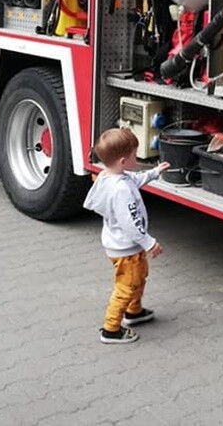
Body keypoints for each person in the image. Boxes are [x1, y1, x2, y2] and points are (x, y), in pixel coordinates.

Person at [83, 128, 169, 344]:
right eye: (134, 155)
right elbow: (131, 223)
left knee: (138, 278)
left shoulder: (111, 176)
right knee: (126, 286)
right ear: (123, 161)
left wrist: (155, 172)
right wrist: (149, 243)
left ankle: (134, 311)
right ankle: (111, 329)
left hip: (125, 247)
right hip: (126, 249)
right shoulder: (121, 190)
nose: (136, 158)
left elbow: (136, 179)